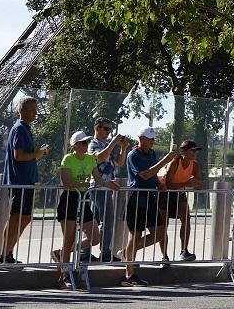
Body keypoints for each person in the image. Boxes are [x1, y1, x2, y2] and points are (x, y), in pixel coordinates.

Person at [54, 131, 118, 287]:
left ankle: (62, 252)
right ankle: (65, 275)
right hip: (69, 199)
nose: (86, 145)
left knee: (94, 239)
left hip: (83, 200)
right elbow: (66, 182)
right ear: (75, 145)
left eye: (87, 142)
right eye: (83, 143)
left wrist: (111, 184)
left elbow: (97, 179)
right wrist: (79, 184)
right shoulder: (68, 159)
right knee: (69, 238)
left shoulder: (90, 159)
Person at [122, 127, 178, 287]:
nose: (153, 141)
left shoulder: (152, 154)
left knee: (159, 233)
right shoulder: (133, 155)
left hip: (150, 198)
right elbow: (144, 174)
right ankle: (129, 273)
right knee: (136, 235)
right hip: (136, 200)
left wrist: (159, 183)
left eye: (153, 138)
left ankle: (127, 255)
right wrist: (165, 161)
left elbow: (151, 176)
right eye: (150, 138)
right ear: (140, 138)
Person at [0, 96, 49, 265]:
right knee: (16, 217)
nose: (35, 113)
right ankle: (5, 255)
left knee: (24, 217)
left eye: (36, 109)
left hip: (26, 181)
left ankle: (8, 253)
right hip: (19, 180)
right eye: (32, 109)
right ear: (21, 110)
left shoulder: (25, 128)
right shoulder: (20, 128)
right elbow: (18, 155)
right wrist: (39, 154)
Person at [87, 118, 127, 262]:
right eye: (106, 129)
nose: (108, 132)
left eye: (110, 129)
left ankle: (85, 253)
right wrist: (114, 142)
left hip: (106, 187)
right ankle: (104, 252)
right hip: (98, 186)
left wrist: (123, 148)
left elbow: (120, 162)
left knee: (93, 221)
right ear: (96, 128)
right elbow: (101, 157)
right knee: (108, 220)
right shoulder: (93, 143)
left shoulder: (106, 144)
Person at [160, 140, 204, 261]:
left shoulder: (195, 165)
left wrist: (199, 184)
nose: (195, 153)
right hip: (165, 194)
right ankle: (164, 256)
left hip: (180, 193)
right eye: (192, 150)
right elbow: (168, 184)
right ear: (184, 151)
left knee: (186, 221)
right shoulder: (174, 162)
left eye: (196, 151)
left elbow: (199, 185)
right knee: (164, 225)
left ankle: (184, 251)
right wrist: (187, 183)